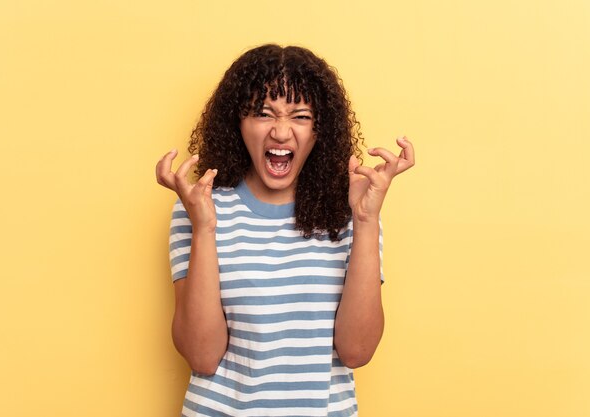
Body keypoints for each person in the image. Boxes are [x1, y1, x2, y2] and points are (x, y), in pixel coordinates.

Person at [156, 44, 415, 417]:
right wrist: (204, 229)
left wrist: (365, 222)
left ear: (319, 129)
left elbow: (357, 352)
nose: (280, 132)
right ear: (237, 122)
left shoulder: (353, 211)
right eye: (264, 113)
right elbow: (202, 356)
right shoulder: (198, 207)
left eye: (301, 116)